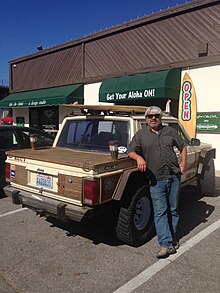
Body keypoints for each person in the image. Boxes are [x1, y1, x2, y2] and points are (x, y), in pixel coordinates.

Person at [128, 106, 187, 258]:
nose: (153, 118)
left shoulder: (170, 131)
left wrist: (183, 163)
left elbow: (183, 146)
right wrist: (139, 158)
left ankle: (172, 238)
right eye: (150, 116)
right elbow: (130, 151)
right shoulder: (141, 134)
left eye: (156, 116)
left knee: (173, 209)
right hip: (156, 179)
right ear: (146, 119)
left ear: (160, 117)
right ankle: (165, 244)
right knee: (160, 211)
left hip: (174, 176)